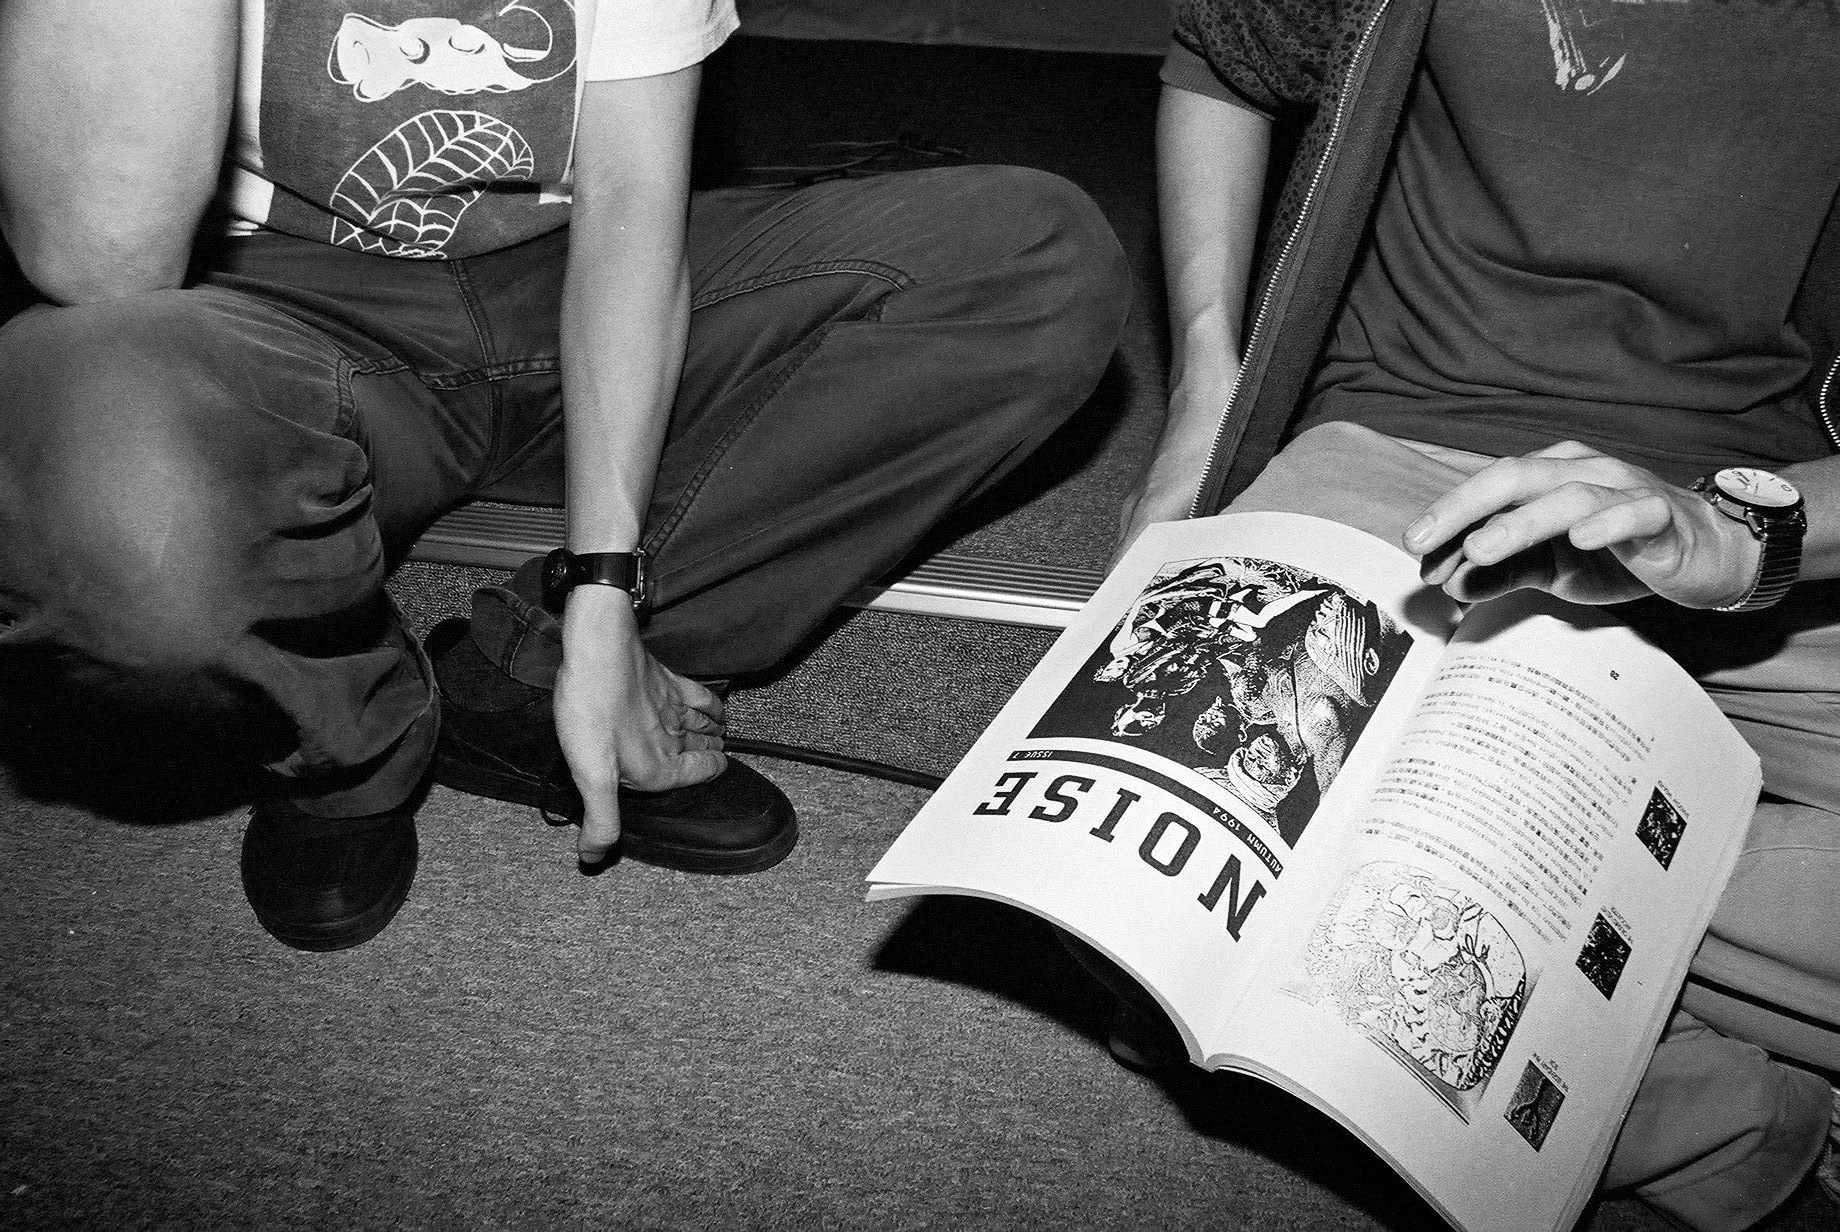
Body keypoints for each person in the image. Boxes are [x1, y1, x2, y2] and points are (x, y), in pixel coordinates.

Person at [0, 1, 1130, 951]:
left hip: (569, 270)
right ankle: (348, 739)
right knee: (88, 476)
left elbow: (635, 217)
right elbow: (104, 253)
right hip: (280, 299)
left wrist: (607, 593)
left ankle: (532, 677)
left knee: (1035, 255)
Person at [1095, 0, 1840, 1226]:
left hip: (1755, 487)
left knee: (1350, 932)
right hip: (1405, 441)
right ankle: (1717, 1106)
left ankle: (1530, 935)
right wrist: (1204, 397)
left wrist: (1746, 532)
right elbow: (1221, 64)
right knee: (1160, 857)